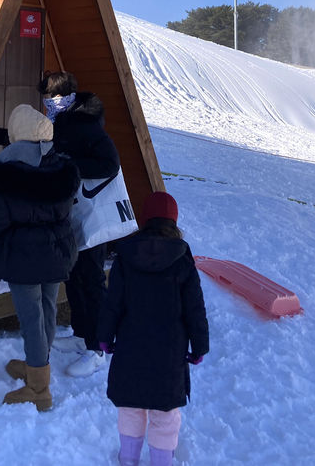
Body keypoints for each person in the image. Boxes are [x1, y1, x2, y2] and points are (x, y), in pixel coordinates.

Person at [0, 70, 121, 378]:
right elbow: (28, 139)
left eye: (53, 97)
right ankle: (82, 335)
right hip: (69, 212)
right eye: (46, 98)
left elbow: (110, 164)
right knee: (74, 277)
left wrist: (66, 169)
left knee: (92, 281)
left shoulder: (87, 124)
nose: (48, 104)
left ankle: (98, 349)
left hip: (90, 214)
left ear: (67, 96)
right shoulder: (56, 123)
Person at [0, 104, 79, 411]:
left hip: (22, 256)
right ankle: (39, 363)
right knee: (47, 309)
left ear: (17, 131)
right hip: (58, 252)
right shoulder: (61, 167)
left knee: (31, 318)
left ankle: (38, 388)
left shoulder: (3, 173)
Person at [97, 191, 209, 466]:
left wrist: (104, 337)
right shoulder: (182, 259)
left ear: (144, 219)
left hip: (130, 349)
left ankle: (128, 459)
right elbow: (195, 307)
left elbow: (112, 302)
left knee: (131, 408)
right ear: (174, 221)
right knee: (165, 414)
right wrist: (200, 346)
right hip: (169, 354)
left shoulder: (125, 256)